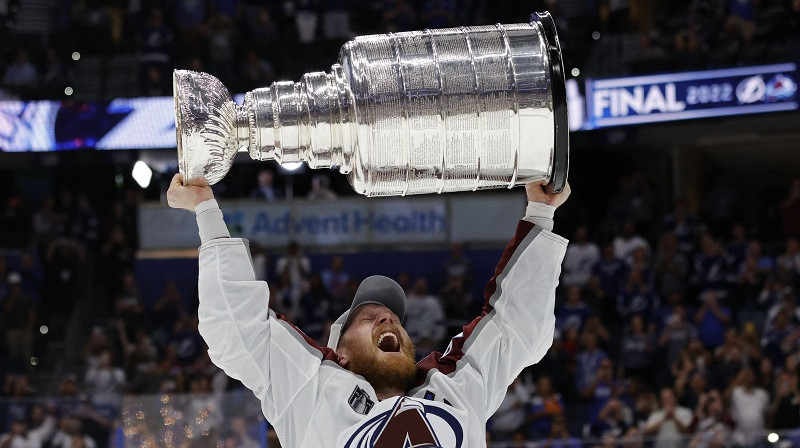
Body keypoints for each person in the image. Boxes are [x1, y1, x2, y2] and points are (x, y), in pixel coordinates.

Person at [167, 173, 570, 447]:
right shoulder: (311, 391)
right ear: (339, 355)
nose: (387, 318)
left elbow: (516, 325)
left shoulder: (457, 388)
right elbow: (238, 330)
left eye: (392, 318)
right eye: (366, 319)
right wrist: (205, 206)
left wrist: (540, 210)